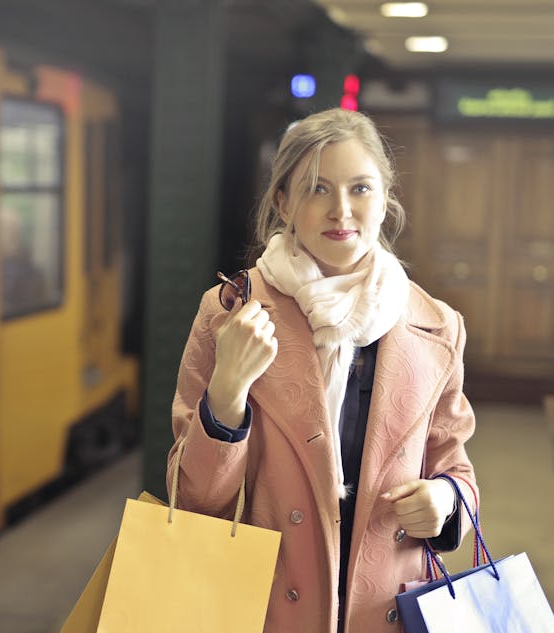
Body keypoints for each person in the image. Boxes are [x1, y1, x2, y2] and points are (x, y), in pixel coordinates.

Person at [168, 108, 478, 633]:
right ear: (283, 202)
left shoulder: (437, 327)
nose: (341, 210)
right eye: (317, 189)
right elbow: (192, 498)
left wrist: (447, 501)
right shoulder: (229, 313)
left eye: (360, 188)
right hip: (262, 607)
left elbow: (456, 466)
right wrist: (226, 396)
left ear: (385, 199)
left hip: (387, 612)